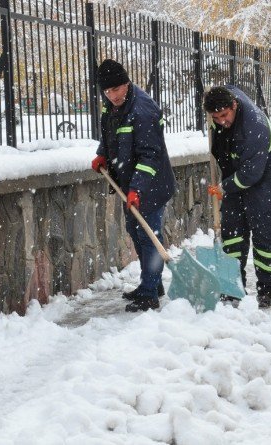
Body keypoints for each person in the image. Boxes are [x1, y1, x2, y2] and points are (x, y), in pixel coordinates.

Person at [91, 59, 176, 312]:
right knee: (135, 230)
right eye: (106, 92)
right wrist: (103, 154)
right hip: (130, 182)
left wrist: (137, 188)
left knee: (148, 235)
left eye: (116, 89)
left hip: (151, 181)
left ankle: (150, 294)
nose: (112, 96)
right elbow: (110, 135)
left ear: (126, 83)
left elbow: (150, 155)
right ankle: (152, 283)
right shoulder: (111, 105)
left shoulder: (143, 110)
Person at [204, 86, 271, 308]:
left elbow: (251, 173)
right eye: (215, 117)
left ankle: (267, 289)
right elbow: (224, 91)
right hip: (236, 171)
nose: (221, 121)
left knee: (263, 235)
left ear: (235, 105)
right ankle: (233, 287)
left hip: (266, 179)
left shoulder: (254, 128)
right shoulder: (224, 105)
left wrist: (225, 187)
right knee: (232, 232)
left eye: (224, 115)